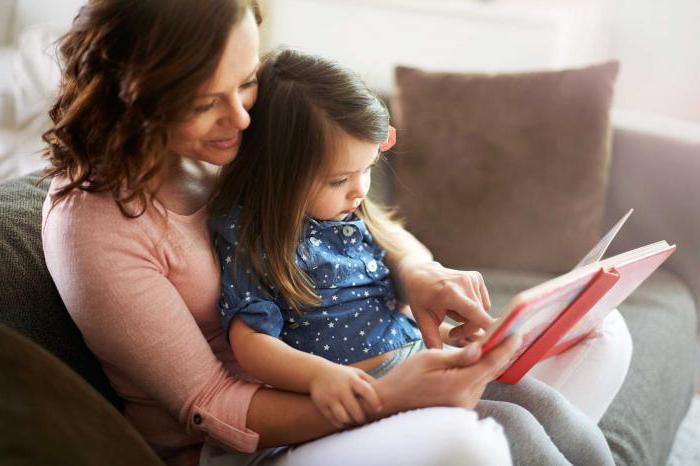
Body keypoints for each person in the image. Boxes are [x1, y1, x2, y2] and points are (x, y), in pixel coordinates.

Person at [39, 1, 631, 465]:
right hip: (264, 441)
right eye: (203, 103)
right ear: (132, 96)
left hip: (376, 370)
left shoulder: (243, 142)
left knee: (601, 334)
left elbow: (363, 222)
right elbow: (212, 403)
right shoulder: (94, 225)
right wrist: (392, 397)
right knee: (478, 441)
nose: (242, 118)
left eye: (245, 82)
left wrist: (418, 274)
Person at [208, 48, 617, 465]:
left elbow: (407, 255)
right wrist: (321, 377)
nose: (360, 190)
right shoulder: (249, 236)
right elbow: (251, 344)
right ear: (277, 173)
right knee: (513, 426)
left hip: (417, 361)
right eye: (340, 179)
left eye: (368, 169)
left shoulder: (347, 211)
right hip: (362, 391)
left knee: (542, 403)